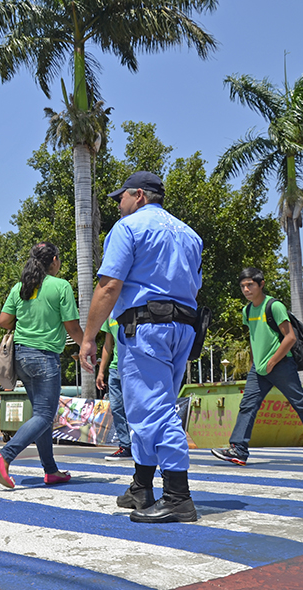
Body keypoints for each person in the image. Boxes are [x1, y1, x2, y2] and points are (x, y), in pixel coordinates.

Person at [80, 171, 204, 524]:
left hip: (146, 327)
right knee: (148, 408)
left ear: (139, 196)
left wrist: (88, 337)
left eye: (121, 198)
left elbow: (108, 286)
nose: (119, 205)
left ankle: (178, 496)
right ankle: (142, 486)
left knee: (155, 410)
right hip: (183, 327)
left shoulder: (130, 228)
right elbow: (193, 286)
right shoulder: (190, 235)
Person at [212, 268, 303, 467]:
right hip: (259, 369)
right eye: (243, 286)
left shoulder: (274, 306)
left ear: (261, 284)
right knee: (247, 406)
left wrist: (272, 361)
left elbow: (290, 337)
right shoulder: (247, 310)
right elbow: (253, 338)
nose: (246, 289)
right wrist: (256, 363)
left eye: (250, 285)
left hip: (281, 365)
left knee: (301, 405)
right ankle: (239, 450)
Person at [0, 242, 84, 488]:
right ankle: (5, 455)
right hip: (44, 357)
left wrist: (27, 323)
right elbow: (72, 327)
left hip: (21, 357)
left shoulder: (21, 287)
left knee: (42, 414)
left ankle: (51, 470)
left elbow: (3, 321)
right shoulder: (60, 286)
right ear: (54, 260)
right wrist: (87, 346)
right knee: (44, 415)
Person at [96, 316, 132, 461]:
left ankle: (144, 446)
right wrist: (101, 371)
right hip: (115, 368)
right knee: (116, 407)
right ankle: (125, 446)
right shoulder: (109, 314)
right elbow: (107, 344)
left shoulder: (131, 304)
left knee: (136, 408)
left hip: (133, 367)